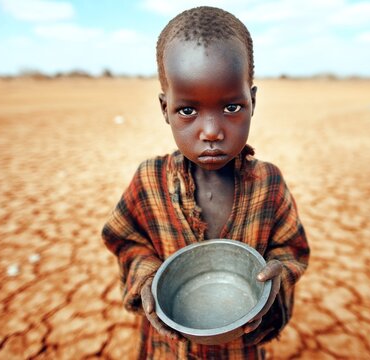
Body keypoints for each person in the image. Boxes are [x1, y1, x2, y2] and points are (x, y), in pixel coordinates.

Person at [102, 6, 310, 359]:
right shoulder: (149, 181)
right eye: (188, 111)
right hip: (168, 349)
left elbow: (291, 249)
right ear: (164, 108)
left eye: (231, 108)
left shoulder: (268, 183)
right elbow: (125, 240)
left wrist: (278, 273)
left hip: (241, 347)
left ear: (253, 102)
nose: (212, 131)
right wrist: (147, 278)